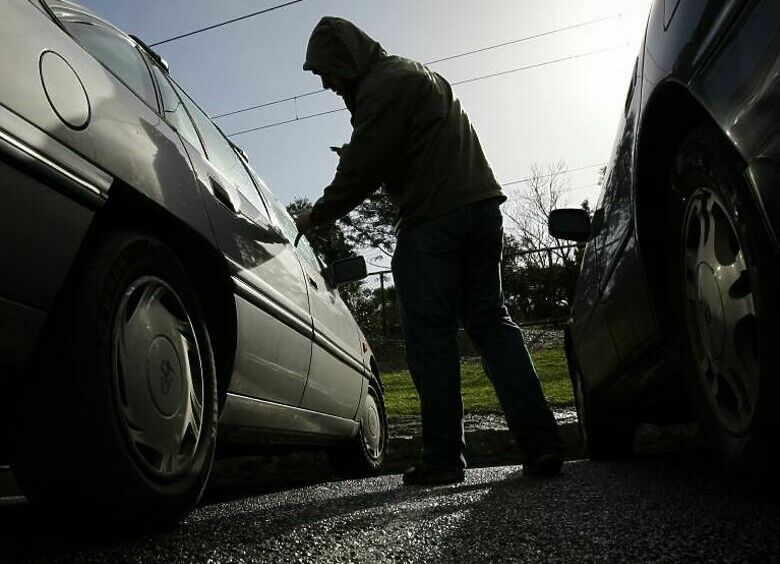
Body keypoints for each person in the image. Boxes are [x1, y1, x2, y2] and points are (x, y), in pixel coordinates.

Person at [295, 16, 563, 485]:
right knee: (490, 321)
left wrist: (316, 216)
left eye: (327, 72)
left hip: (435, 222)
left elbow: (364, 164)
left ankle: (443, 456)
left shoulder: (382, 85)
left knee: (430, 339)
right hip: (481, 208)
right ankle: (542, 443)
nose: (328, 85)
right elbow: (404, 150)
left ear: (346, 59)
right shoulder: (415, 73)